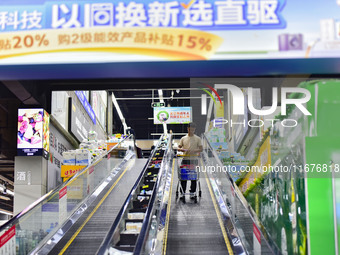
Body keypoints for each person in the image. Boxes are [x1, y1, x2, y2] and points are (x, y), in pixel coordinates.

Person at [177, 122, 203, 199]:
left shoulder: (198, 138)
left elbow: (201, 149)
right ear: (187, 129)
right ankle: (183, 192)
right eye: (190, 129)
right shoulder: (183, 138)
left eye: (193, 129)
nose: (191, 130)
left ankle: (192, 192)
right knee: (183, 177)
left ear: (194, 129)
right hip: (185, 160)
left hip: (194, 160)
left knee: (193, 177)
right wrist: (182, 149)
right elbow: (178, 148)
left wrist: (194, 151)